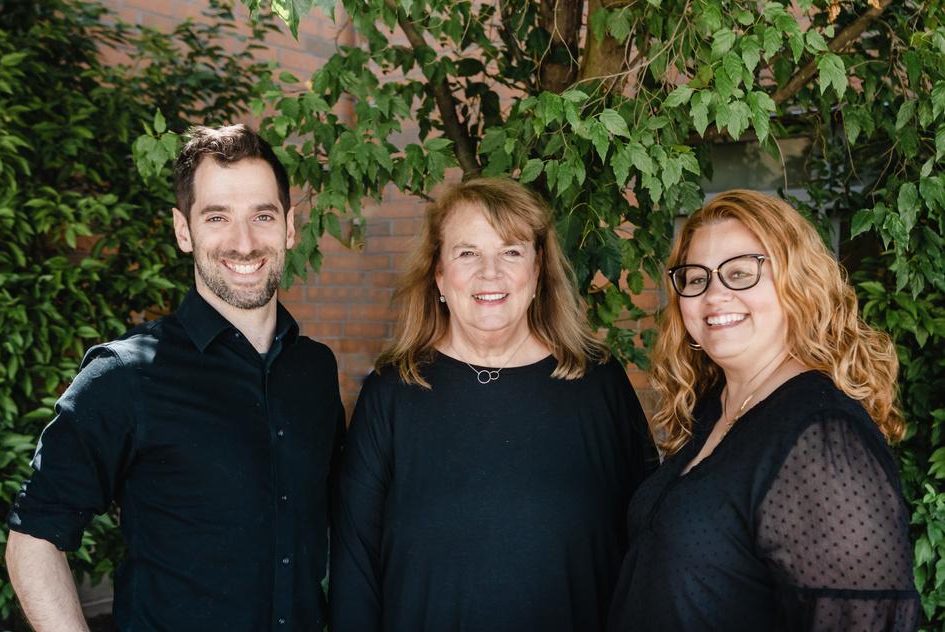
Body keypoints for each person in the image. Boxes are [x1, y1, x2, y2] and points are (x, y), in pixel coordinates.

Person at [6, 124, 345, 631]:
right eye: (217, 217)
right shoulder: (125, 374)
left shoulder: (314, 370)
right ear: (183, 230)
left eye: (262, 216)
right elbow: (33, 538)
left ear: (289, 227)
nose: (244, 242)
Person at [329, 177, 658, 632]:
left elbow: (649, 547)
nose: (490, 273)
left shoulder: (599, 386)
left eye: (511, 252)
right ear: (438, 274)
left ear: (538, 269)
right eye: (467, 253)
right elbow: (355, 566)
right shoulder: (392, 394)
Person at [607, 190, 920, 630]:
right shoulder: (714, 408)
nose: (714, 295)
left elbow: (862, 619)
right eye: (696, 279)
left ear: (797, 283)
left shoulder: (820, 435)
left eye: (740, 273)